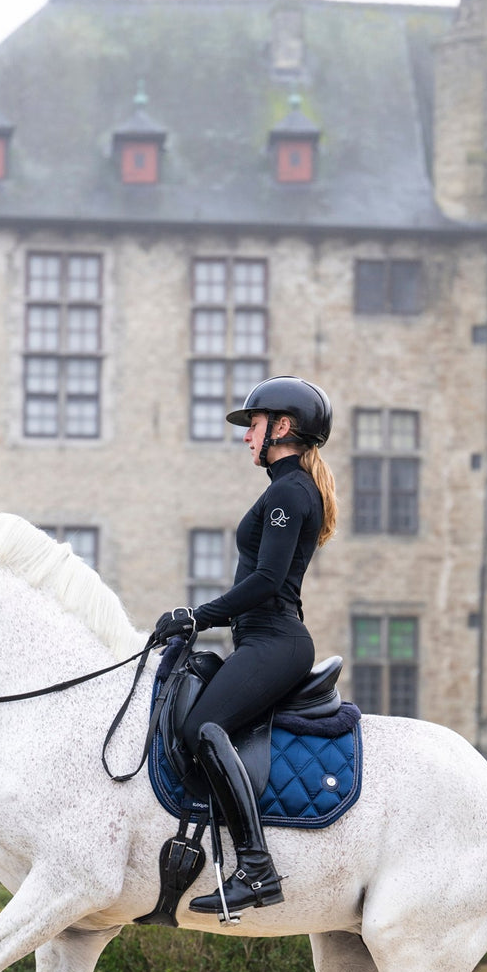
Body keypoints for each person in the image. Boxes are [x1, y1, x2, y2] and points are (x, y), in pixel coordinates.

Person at [153, 377, 336, 912]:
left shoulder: (289, 491)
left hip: (276, 641)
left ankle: (257, 870)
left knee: (203, 729)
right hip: (262, 639)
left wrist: (196, 615)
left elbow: (266, 582)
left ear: (282, 427)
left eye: (252, 425)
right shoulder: (289, 488)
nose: (244, 437)